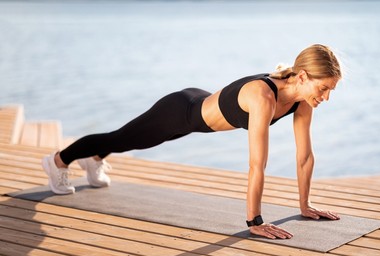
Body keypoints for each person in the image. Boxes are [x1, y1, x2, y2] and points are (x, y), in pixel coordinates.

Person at [42, 44, 342, 240]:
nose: (326, 97)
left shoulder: (303, 100)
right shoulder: (262, 96)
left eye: (331, 90)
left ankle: (93, 160)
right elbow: (256, 164)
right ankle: (58, 161)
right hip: (180, 111)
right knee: (123, 138)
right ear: (302, 76)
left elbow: (304, 157)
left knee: (129, 140)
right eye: (324, 88)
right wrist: (255, 221)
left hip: (199, 111)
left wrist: (306, 205)